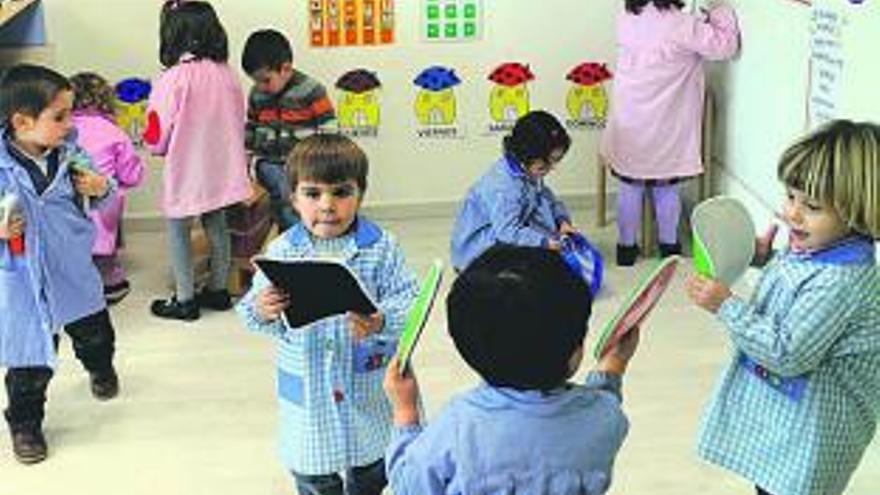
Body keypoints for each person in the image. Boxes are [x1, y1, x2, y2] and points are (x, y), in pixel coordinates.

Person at [685, 120, 880, 495]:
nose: (792, 214)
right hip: (791, 422)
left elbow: (787, 352)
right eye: (791, 196)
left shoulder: (841, 283)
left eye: (812, 206)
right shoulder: (822, 247)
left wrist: (727, 306)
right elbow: (797, 283)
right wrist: (762, 257)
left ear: (857, 213)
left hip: (816, 433)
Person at [235, 134, 418, 495]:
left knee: (372, 467)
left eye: (341, 192)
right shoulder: (283, 250)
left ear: (361, 194)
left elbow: (411, 301)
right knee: (314, 476)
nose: (328, 205)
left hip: (367, 385)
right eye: (313, 193)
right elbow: (249, 312)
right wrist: (263, 309)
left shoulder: (382, 247)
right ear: (293, 197)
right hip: (310, 392)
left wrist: (381, 321)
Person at [383, 245, 639, 494]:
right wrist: (615, 363)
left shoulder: (458, 428)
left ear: (469, 349)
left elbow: (408, 485)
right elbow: (599, 405)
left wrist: (405, 410)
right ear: (575, 352)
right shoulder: (605, 418)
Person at [0, 64, 122, 464]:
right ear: (22, 121)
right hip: (22, 279)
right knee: (29, 359)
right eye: (60, 116)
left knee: (94, 334)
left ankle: (101, 369)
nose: (71, 124)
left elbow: (106, 194)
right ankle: (25, 424)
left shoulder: (71, 153)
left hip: (72, 268)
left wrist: (102, 188)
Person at [601, 0, 739, 266]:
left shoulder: (628, 17)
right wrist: (720, 11)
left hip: (630, 118)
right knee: (666, 187)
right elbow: (724, 47)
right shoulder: (682, 24)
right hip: (665, 123)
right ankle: (668, 246)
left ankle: (625, 248)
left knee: (630, 185)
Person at [144, 0, 251, 321]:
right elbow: (238, 119)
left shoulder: (173, 78)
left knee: (178, 229)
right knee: (217, 225)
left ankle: (185, 299)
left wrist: (156, 147)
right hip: (222, 167)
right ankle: (218, 290)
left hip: (187, 168)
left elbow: (157, 129)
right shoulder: (228, 75)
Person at [450, 110, 576, 272]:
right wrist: (544, 242)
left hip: (505, 226)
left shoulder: (526, 168)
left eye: (555, 161)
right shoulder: (503, 187)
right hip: (476, 251)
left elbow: (545, 197)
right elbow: (507, 231)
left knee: (543, 215)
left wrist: (561, 220)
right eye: (544, 166)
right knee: (536, 267)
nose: (551, 169)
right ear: (525, 156)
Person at [241, 28, 336, 231]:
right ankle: (296, 236)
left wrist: (323, 164)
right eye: (255, 80)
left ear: (285, 68)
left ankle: (298, 235)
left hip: (305, 164)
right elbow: (251, 127)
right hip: (268, 163)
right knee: (283, 188)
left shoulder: (312, 90)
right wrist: (245, 159)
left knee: (294, 194)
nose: (260, 86)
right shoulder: (257, 95)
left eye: (265, 80)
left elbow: (329, 131)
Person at [71, 71, 146, 305]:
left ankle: (76, 287)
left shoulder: (61, 129)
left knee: (75, 250)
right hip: (102, 203)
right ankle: (110, 281)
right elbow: (131, 176)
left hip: (68, 202)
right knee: (110, 210)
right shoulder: (114, 133)